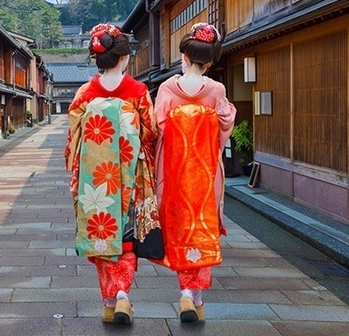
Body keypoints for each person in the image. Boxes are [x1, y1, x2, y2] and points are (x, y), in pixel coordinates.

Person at [65, 23, 158, 325]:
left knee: (101, 235)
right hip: (129, 177)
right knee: (127, 237)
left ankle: (109, 300)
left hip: (95, 180)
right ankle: (123, 297)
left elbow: (74, 138)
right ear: (124, 58)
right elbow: (152, 132)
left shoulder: (85, 93)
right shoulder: (138, 91)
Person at [154, 23, 237, 323]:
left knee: (179, 226)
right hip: (204, 173)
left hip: (174, 171)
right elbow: (225, 124)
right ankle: (194, 296)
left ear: (183, 57)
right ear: (211, 62)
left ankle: (187, 293)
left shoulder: (167, 88)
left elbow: (158, 127)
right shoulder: (216, 89)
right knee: (203, 227)